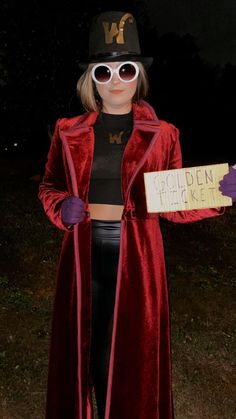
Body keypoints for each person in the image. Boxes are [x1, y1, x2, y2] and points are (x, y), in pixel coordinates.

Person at [38, 11, 236, 419]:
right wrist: (62, 207)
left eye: (125, 69)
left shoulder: (164, 134)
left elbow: (174, 202)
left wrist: (219, 194)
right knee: (85, 347)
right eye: (103, 71)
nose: (115, 80)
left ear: (138, 76)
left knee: (129, 351)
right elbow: (50, 185)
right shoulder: (67, 130)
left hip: (139, 258)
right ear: (90, 78)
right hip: (81, 253)